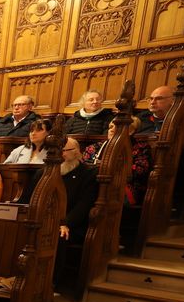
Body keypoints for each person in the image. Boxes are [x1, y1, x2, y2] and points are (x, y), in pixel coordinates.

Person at [55, 137, 99, 292]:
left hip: (74, 224)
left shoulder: (88, 173)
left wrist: (65, 223)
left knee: (59, 236)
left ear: (77, 152)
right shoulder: (48, 171)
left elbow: (85, 204)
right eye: (59, 151)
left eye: (65, 151)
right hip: (49, 220)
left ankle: (53, 283)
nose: (62, 155)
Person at [84, 119, 152, 206]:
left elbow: (140, 171)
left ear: (131, 131)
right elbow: (85, 167)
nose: (111, 130)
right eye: (110, 127)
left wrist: (110, 169)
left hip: (124, 186)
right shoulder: (95, 147)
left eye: (117, 127)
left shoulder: (140, 148)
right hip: (95, 182)